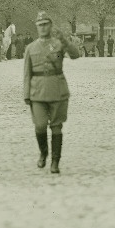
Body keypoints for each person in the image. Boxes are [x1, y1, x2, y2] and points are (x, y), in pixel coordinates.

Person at [22, 11, 81, 174]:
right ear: (36, 27)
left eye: (45, 24)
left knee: (56, 127)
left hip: (57, 89)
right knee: (40, 126)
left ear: (50, 26)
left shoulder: (58, 43)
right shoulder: (30, 48)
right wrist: (26, 94)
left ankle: (55, 161)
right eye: (40, 25)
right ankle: (43, 153)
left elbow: (76, 55)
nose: (43, 28)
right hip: (37, 92)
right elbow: (27, 73)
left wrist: (65, 41)